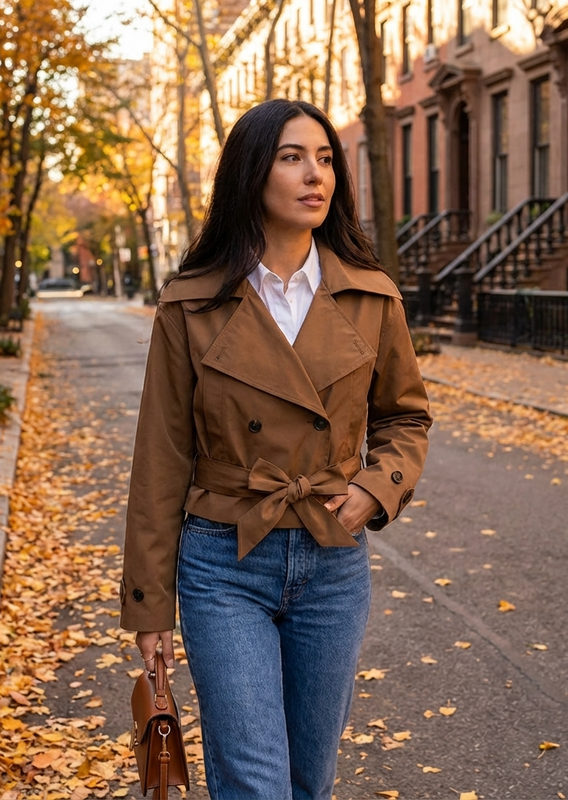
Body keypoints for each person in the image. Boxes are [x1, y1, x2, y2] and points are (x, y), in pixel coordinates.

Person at [120, 99, 432, 799]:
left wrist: (371, 492)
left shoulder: (372, 296)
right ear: (251, 174)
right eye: (292, 157)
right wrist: (148, 606)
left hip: (331, 560)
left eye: (324, 158)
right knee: (255, 783)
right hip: (223, 559)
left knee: (307, 780)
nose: (314, 174)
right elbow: (161, 459)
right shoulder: (192, 304)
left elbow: (406, 420)